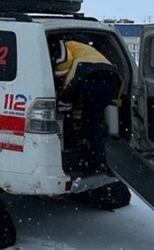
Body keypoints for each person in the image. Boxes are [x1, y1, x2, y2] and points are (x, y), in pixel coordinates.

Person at [52, 38, 124, 173]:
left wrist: (68, 131)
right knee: (93, 119)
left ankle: (80, 152)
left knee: (70, 111)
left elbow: (63, 63)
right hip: (112, 77)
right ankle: (100, 157)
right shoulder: (85, 48)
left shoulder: (65, 48)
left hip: (87, 76)